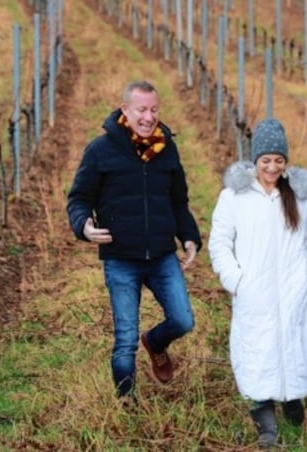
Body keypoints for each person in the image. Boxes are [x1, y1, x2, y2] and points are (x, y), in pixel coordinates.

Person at [66, 80, 202, 402]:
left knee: (183, 319)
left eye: (154, 109)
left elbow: (178, 201)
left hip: (161, 255)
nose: (148, 117)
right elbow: (79, 198)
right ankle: (126, 401)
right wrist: (83, 226)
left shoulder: (166, 148)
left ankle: (155, 342)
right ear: (125, 110)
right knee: (124, 338)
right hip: (121, 257)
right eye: (141, 109)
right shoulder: (101, 150)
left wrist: (189, 237)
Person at [207, 118, 307, 448]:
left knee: (295, 343)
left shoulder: (300, 197)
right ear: (254, 161)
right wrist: (236, 279)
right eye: (265, 161)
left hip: (294, 288)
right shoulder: (235, 197)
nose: (272, 167)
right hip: (253, 291)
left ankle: (292, 398)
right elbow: (219, 242)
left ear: (285, 162)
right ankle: (264, 418)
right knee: (257, 348)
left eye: (278, 160)